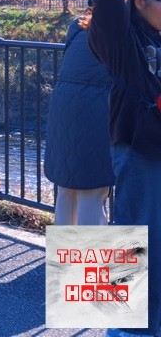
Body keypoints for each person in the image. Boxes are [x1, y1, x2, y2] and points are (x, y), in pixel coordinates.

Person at [87, 0, 161, 337]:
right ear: (141, 2)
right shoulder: (122, 39)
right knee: (136, 238)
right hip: (139, 147)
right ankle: (125, 330)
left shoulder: (156, 35)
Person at [43, 12, 114, 226]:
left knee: (68, 190)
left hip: (64, 109)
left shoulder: (78, 27)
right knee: (93, 192)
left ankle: (66, 257)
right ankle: (93, 259)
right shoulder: (120, 32)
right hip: (97, 109)